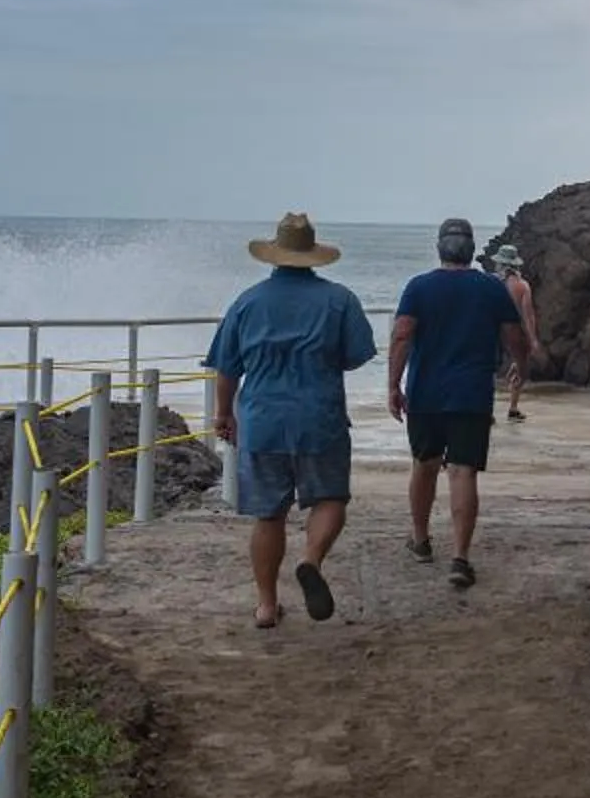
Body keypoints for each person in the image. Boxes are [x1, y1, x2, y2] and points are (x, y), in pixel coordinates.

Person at [206, 212, 376, 630]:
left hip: (262, 420)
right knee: (331, 498)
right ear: (313, 255)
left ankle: (266, 606)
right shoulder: (340, 300)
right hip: (319, 416)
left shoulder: (246, 302)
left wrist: (223, 413)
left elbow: (227, 369)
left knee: (269, 515)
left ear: (274, 255)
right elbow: (356, 356)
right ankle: (310, 560)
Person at [389, 217, 525, 590]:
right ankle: (460, 558)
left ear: (439, 249)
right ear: (471, 249)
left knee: (424, 465)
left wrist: (393, 385)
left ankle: (420, 540)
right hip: (472, 394)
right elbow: (514, 335)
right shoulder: (491, 288)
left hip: (426, 393)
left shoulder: (419, 287)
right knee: (463, 472)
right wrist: (521, 366)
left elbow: (402, 335)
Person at [491, 244, 544, 423]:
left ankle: (488, 410)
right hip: (514, 331)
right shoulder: (522, 286)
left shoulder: (492, 284)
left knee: (489, 369)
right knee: (521, 368)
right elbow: (528, 316)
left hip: (493, 330)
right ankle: (513, 407)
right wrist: (533, 340)